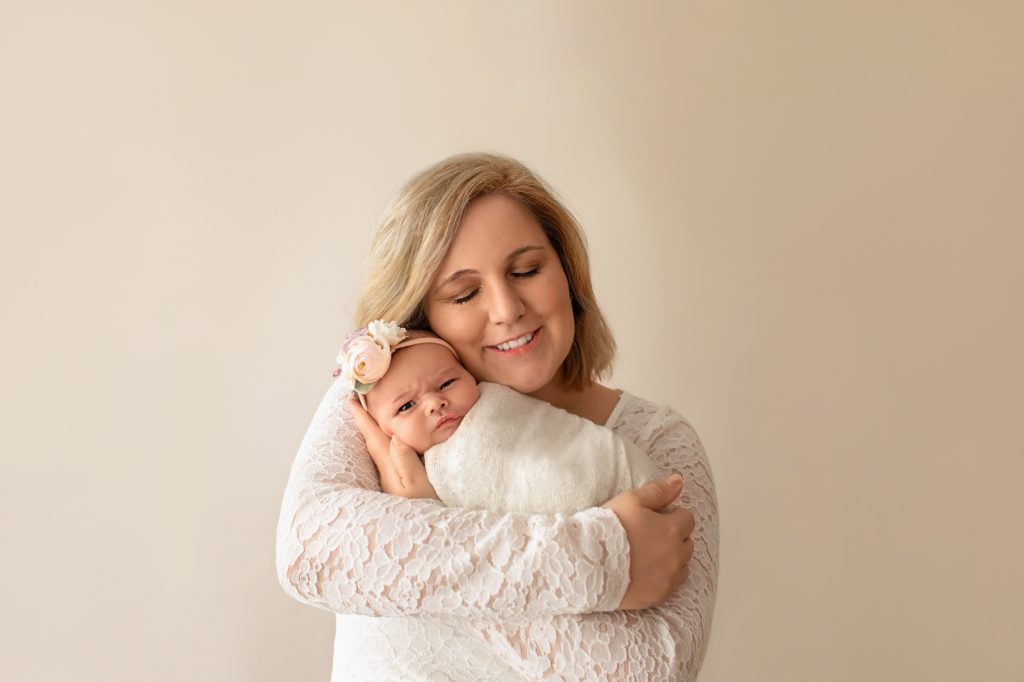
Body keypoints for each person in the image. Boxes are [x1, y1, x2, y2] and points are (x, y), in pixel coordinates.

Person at [276, 152, 719, 681]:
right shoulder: (383, 401)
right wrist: (608, 557)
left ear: (569, 275)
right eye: (464, 294)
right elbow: (308, 554)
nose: (507, 309)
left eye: (527, 270)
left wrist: (419, 530)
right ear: (422, 316)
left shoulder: (656, 440)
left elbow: (651, 670)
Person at [338, 323, 667, 512]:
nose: (435, 403)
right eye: (406, 407)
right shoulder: (420, 476)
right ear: (382, 430)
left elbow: (557, 441)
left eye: (447, 383)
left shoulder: (497, 401)